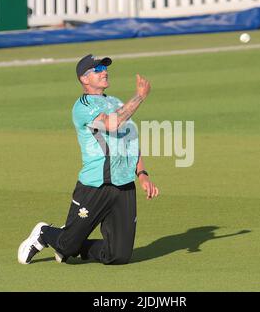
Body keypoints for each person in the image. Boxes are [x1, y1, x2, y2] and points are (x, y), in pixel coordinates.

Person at [18, 54, 159, 265]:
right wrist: (139, 96)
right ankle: (45, 234)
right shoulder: (82, 106)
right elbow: (112, 124)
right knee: (67, 245)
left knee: (119, 256)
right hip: (95, 185)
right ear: (84, 79)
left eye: (105, 68)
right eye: (98, 69)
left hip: (124, 185)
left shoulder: (116, 102)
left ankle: (74, 247)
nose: (105, 72)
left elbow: (131, 140)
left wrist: (142, 174)